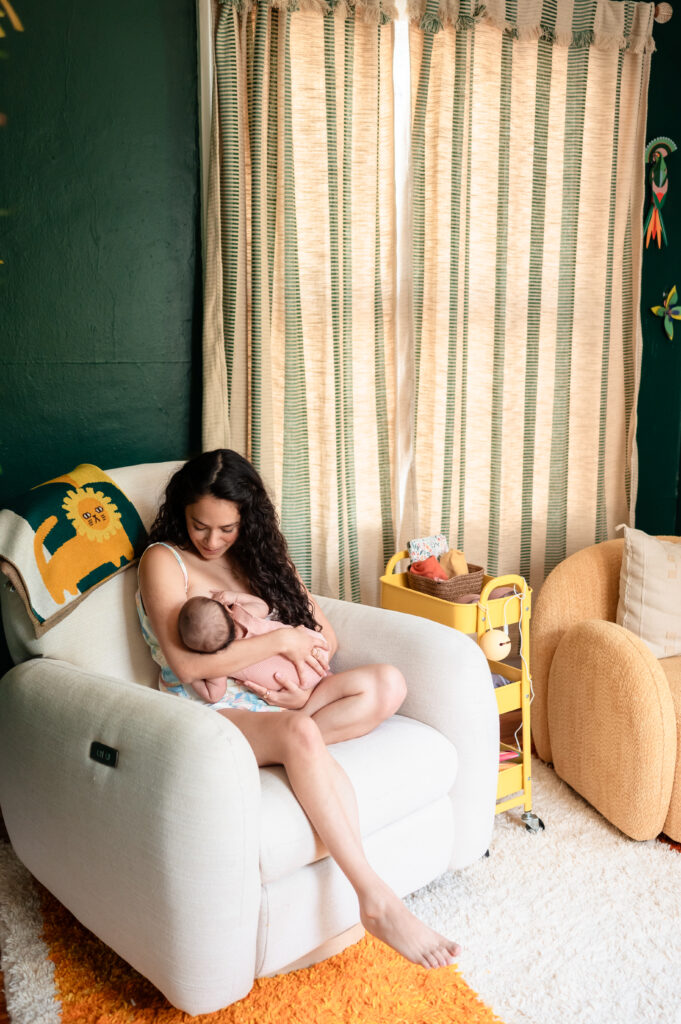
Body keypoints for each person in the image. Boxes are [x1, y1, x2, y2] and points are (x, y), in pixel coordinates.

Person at [137, 449, 461, 969]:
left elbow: (325, 637)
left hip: (286, 699)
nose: (213, 540)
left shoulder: (258, 557)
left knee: (388, 683)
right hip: (213, 715)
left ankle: (297, 737)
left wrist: (296, 690)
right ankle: (375, 898)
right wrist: (281, 642)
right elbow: (189, 665)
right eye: (201, 525)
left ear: (247, 519)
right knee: (298, 735)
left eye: (227, 528)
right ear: (182, 510)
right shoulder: (165, 561)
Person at [177, 589, 328, 703]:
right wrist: (234, 597)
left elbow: (214, 695)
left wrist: (193, 679)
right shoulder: (242, 615)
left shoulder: (220, 663)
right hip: (315, 646)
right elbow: (263, 605)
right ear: (226, 611)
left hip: (299, 683)